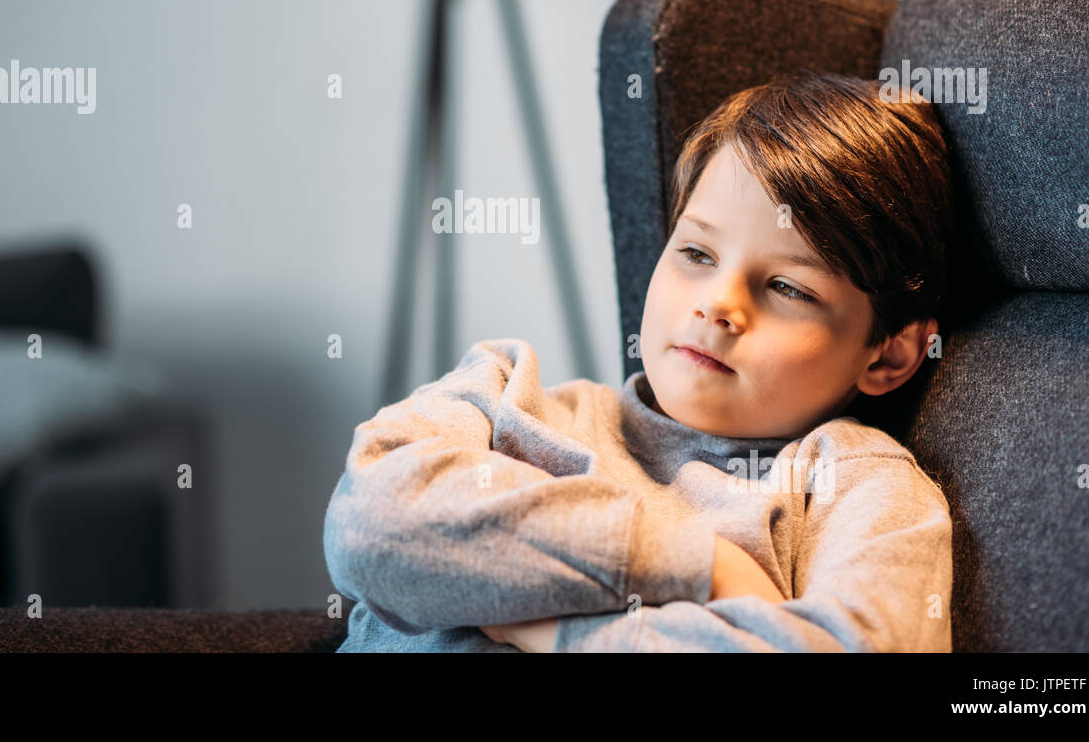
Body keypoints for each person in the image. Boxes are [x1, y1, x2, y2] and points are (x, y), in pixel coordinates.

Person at [323, 72, 956, 652]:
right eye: (698, 254)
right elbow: (369, 526)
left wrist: (549, 629)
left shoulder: (857, 486)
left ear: (890, 353)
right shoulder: (506, 393)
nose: (717, 305)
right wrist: (704, 567)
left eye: (789, 288)